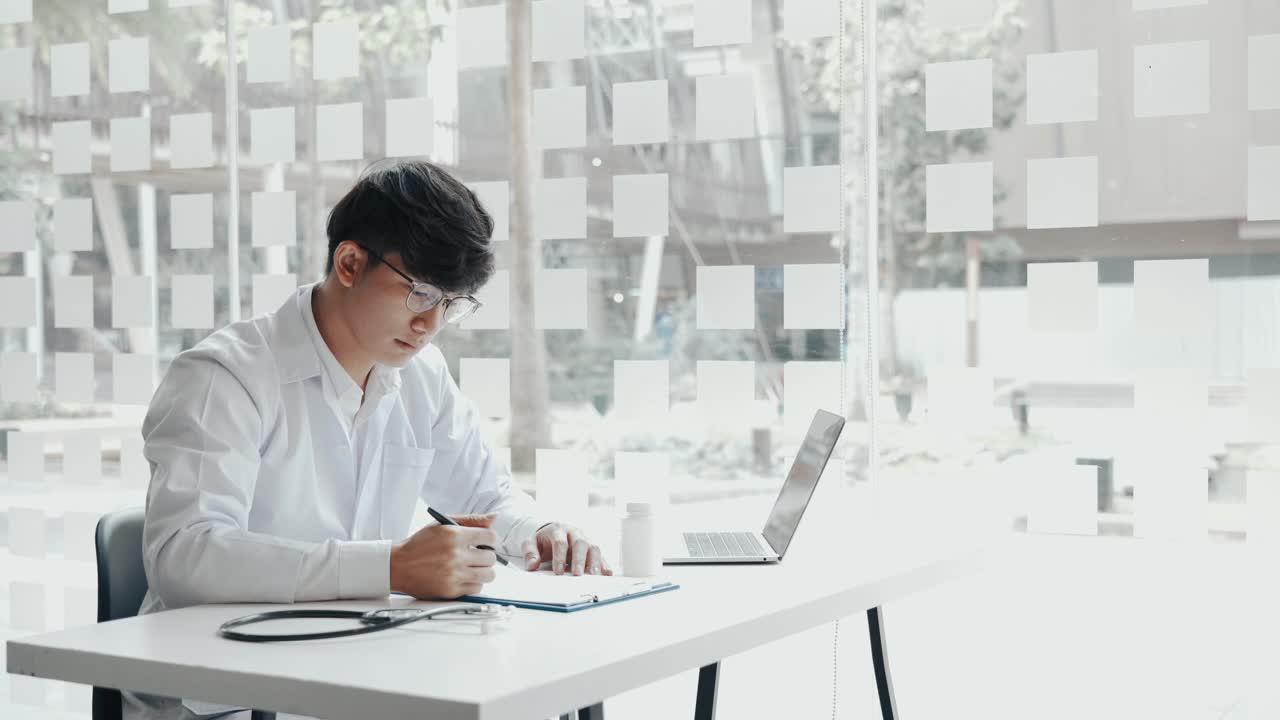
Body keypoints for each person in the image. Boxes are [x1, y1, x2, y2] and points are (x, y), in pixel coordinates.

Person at [125, 159, 610, 720]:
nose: (432, 323)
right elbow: (185, 556)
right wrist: (392, 566)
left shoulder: (419, 376)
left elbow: (483, 499)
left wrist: (541, 533)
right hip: (218, 698)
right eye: (422, 293)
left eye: (451, 303)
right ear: (350, 262)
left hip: (357, 674)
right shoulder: (223, 377)